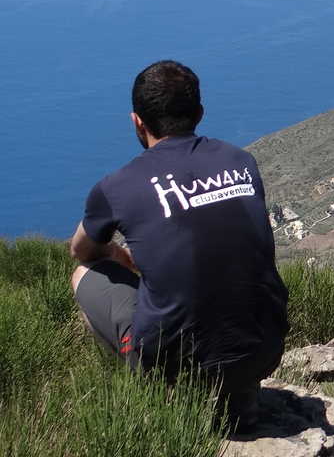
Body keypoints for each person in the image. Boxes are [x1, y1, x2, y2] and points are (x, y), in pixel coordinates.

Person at [69, 60, 288, 429]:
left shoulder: (117, 185)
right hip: (265, 348)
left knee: (84, 274)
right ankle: (237, 394)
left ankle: (152, 397)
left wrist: (119, 255)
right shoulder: (242, 161)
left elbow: (81, 250)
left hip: (178, 364)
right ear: (199, 113)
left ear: (136, 121)